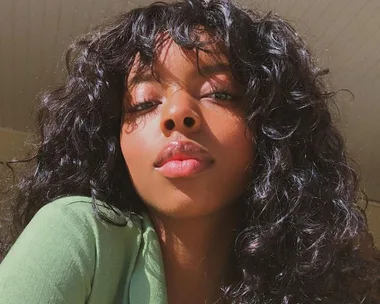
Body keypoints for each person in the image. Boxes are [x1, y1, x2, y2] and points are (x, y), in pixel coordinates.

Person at [0, 0, 379, 303]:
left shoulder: (304, 287)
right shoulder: (78, 232)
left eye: (219, 93)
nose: (177, 115)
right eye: (145, 102)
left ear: (272, 130)